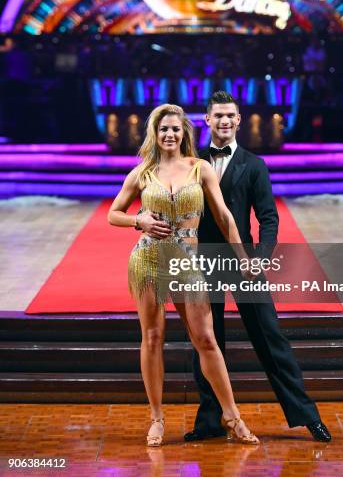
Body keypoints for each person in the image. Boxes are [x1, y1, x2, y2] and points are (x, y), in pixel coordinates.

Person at [181, 90, 330, 443]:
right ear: (207, 120)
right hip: (202, 261)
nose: (224, 121)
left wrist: (260, 258)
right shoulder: (191, 162)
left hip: (244, 261)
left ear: (238, 119)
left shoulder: (255, 164)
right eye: (217, 115)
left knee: (270, 337)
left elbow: (269, 218)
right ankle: (209, 422)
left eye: (230, 115)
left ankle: (307, 416)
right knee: (206, 339)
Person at [108, 103, 259, 447]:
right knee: (152, 338)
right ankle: (157, 419)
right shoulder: (142, 173)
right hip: (148, 259)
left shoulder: (200, 168)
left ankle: (232, 417)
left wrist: (244, 258)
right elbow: (114, 213)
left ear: (185, 133)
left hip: (187, 261)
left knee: (206, 338)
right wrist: (139, 220)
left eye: (175, 129)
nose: (170, 134)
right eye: (163, 129)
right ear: (155, 134)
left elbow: (224, 217)